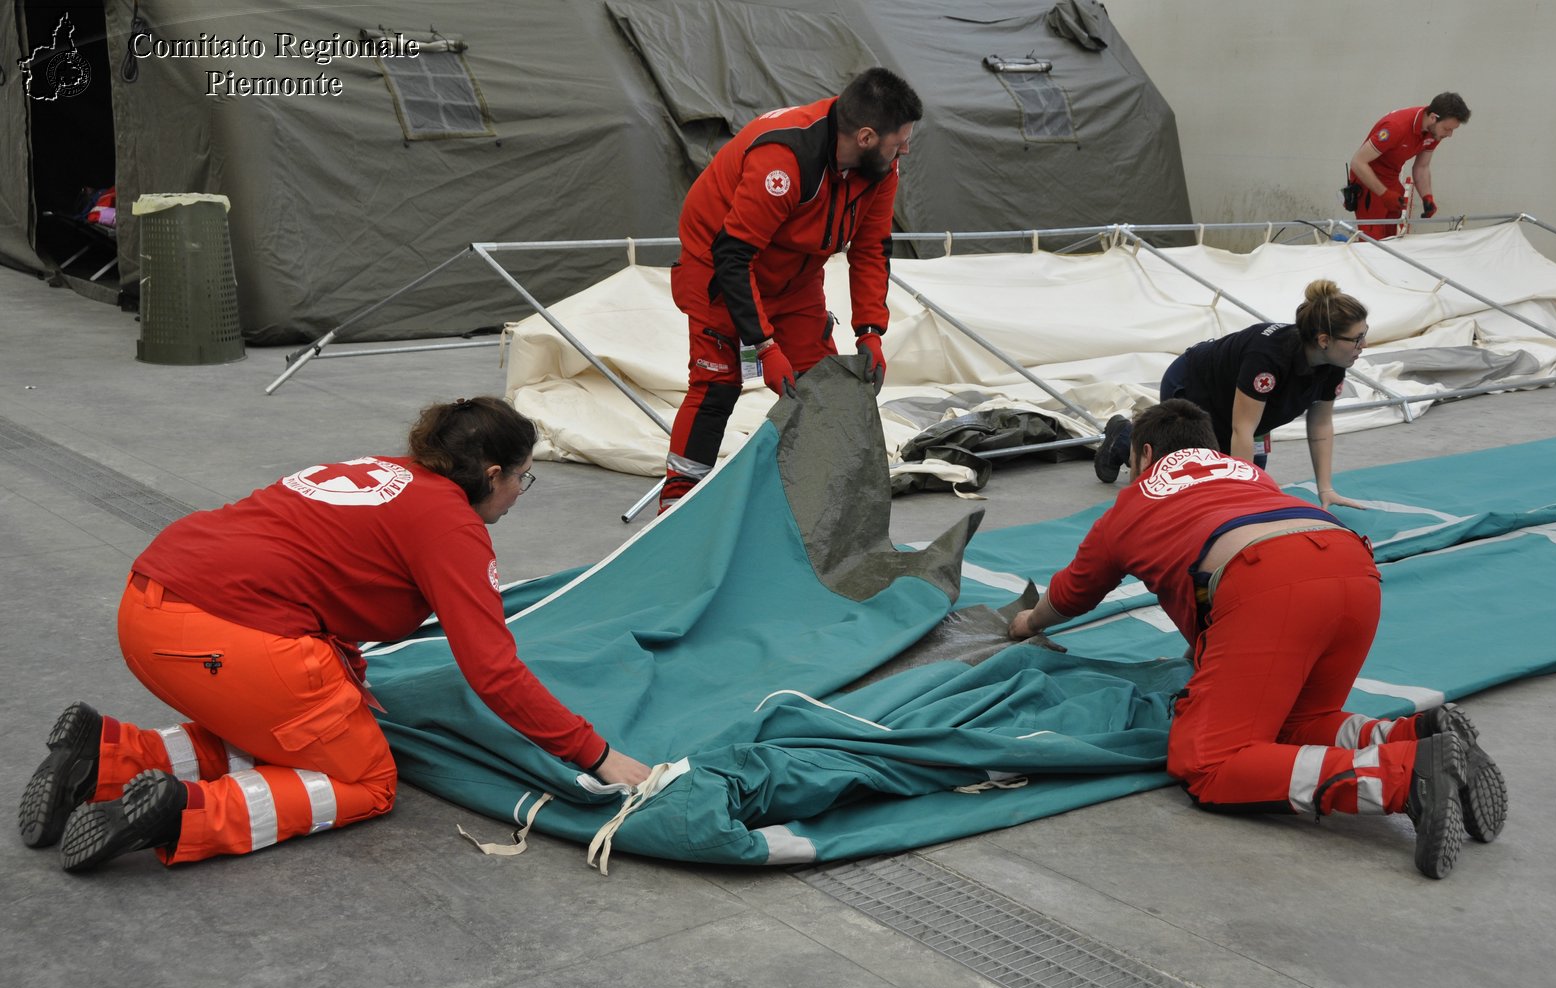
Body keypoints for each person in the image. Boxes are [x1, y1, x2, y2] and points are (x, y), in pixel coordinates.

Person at [18, 397, 652, 872]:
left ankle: (102, 757)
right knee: (364, 781)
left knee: (288, 739)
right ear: (491, 474)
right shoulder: (451, 525)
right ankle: (182, 813)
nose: (519, 493)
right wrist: (596, 755)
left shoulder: (382, 473)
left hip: (145, 607)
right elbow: (492, 670)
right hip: (226, 635)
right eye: (522, 478)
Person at [1015, 399, 1507, 878]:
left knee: (1209, 761)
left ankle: (1403, 776)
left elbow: (1073, 592)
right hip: (1354, 568)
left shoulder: (1134, 501)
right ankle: (1419, 733)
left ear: (1144, 456)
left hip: (1266, 582)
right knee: (1295, 721)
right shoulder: (1250, 475)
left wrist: (1027, 625)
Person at [659, 67, 923, 510]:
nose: (906, 149)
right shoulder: (783, 160)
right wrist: (763, 347)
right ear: (864, 137)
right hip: (721, 274)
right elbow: (733, 257)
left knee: (821, 386)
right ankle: (676, 506)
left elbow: (872, 249)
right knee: (716, 388)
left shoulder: (881, 168)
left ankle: (814, 506)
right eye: (899, 141)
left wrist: (871, 332)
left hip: (796, 279)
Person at [1094, 279, 1368, 511]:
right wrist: (1240, 502)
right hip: (1194, 386)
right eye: (1357, 338)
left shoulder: (1334, 364)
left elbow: (1320, 426)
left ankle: (1133, 439)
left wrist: (1326, 489)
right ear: (1324, 340)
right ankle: (1124, 439)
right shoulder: (1268, 357)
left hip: (1240, 408)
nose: (1363, 345)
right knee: (1184, 480)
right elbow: (1242, 429)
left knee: (1247, 477)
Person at [1345, 92, 1470, 239]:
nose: (1449, 135)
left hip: (1391, 178)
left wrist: (1427, 197)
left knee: (1391, 236)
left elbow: (1421, 166)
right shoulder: (1396, 127)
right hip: (1368, 179)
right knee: (1372, 239)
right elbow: (1358, 162)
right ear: (1433, 117)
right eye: (1447, 129)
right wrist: (1384, 193)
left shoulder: (1434, 131)